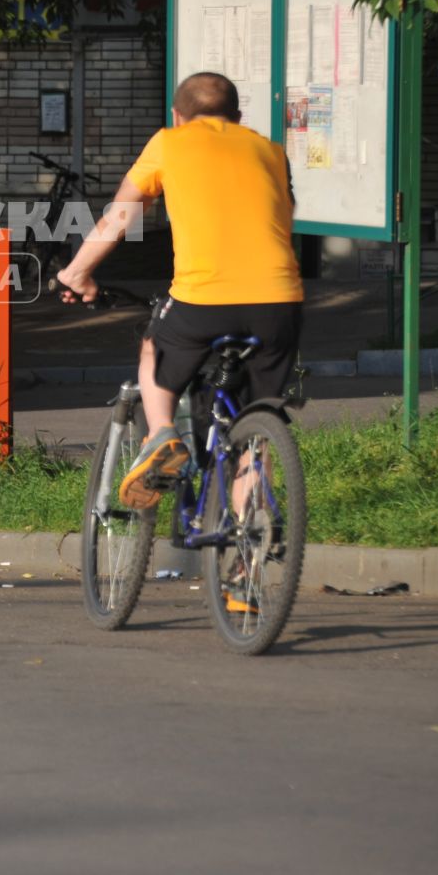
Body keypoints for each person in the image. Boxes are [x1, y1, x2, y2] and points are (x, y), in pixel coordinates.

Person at [55, 71, 303, 535]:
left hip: (203, 298)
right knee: (258, 424)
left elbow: (121, 217)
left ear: (178, 115)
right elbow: (283, 217)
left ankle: (162, 435)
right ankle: (246, 565)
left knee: (154, 345)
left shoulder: (169, 143)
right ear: (238, 116)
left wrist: (77, 273)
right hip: (279, 301)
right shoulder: (270, 152)